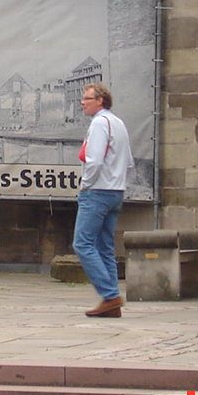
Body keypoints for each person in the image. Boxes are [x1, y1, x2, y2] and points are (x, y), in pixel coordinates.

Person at [73, 83, 134, 319]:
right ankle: (112, 303)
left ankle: (110, 295)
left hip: (97, 191)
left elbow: (94, 160)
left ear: (100, 100)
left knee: (82, 244)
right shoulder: (118, 123)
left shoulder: (99, 123)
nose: (82, 102)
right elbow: (128, 161)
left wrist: (86, 184)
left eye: (87, 98)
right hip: (115, 191)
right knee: (104, 247)